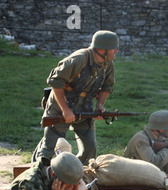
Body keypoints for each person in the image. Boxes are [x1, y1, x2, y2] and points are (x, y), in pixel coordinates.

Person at [32, 30, 119, 165]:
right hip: (60, 106)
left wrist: (100, 106)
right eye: (114, 49)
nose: (116, 52)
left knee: (90, 150)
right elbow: (55, 82)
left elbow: (106, 87)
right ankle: (39, 175)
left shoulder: (108, 64)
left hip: (85, 108)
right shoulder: (78, 60)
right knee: (48, 150)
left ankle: (73, 174)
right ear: (103, 50)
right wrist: (66, 110)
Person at [124, 110, 168, 174]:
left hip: (153, 174)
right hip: (136, 176)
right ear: (161, 129)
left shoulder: (160, 137)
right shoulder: (140, 140)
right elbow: (153, 164)